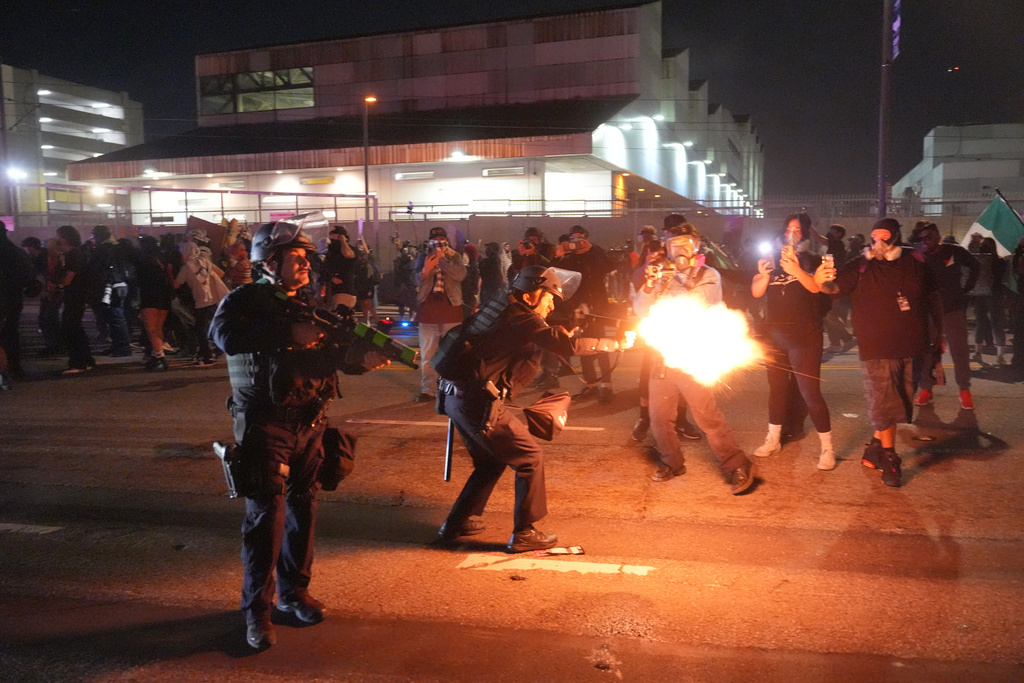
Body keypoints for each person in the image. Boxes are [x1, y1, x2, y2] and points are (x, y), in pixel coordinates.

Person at [210, 213, 388, 650]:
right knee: (266, 517)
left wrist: (361, 360)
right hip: (266, 423)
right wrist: (288, 332)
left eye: (307, 255)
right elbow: (223, 336)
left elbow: (330, 355)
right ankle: (258, 610)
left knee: (303, 507)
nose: (306, 262)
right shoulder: (245, 300)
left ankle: (294, 592)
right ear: (269, 260)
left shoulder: (308, 304)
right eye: (295, 255)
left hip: (311, 422)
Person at [436, 265, 629, 551]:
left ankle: (455, 522)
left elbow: (531, 336)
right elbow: (565, 345)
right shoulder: (520, 317)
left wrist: (562, 327)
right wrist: (613, 343)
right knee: (530, 458)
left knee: (491, 461)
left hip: (456, 397)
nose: (551, 306)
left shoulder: (503, 306)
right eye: (549, 298)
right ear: (529, 296)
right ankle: (524, 533)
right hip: (477, 403)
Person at [632, 224, 757, 494]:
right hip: (663, 356)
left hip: (692, 354)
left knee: (706, 416)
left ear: (696, 246)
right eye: (674, 244)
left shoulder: (707, 274)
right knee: (659, 416)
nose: (680, 249)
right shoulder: (661, 275)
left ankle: (736, 464)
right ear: (666, 247)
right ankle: (671, 461)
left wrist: (672, 277)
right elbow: (641, 309)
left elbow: (698, 302)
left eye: (686, 243)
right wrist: (651, 283)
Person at [821, 218, 943, 488]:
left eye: (884, 236)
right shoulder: (861, 264)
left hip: (914, 344)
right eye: (874, 236)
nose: (877, 241)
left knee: (901, 401)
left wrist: (939, 339)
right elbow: (832, 289)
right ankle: (890, 458)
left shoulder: (916, 261)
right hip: (877, 346)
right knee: (886, 405)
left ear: (896, 238)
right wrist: (821, 279)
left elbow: (933, 299)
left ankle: (874, 449)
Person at [750, 215, 836, 470]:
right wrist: (763, 275)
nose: (792, 234)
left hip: (805, 337)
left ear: (807, 233)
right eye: (788, 228)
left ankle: (827, 448)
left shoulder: (816, 259)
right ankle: (773, 439)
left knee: (810, 393)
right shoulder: (774, 262)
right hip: (775, 337)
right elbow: (756, 291)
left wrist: (796, 270)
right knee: (776, 389)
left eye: (797, 229)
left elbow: (819, 288)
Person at [908, 221, 979, 410]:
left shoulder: (953, 251)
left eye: (928, 237)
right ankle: (926, 389)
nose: (924, 242)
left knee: (959, 351)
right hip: (928, 313)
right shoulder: (917, 257)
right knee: (925, 353)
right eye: (920, 239)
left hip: (952, 310)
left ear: (938, 236)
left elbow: (975, 266)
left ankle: (964, 390)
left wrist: (966, 289)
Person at [555, 225, 615, 402]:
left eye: (580, 238)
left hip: (598, 309)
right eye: (573, 239)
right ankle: (591, 386)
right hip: (578, 310)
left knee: (602, 346)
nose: (577, 243)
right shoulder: (569, 259)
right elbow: (553, 275)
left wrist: (593, 249)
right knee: (583, 348)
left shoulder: (595, 254)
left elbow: (610, 266)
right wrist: (557, 255)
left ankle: (606, 386)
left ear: (586, 239)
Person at [414, 227, 466, 401]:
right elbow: (415, 279)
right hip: (428, 312)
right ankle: (428, 389)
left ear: (446, 242)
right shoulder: (423, 257)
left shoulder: (455, 256)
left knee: (451, 353)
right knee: (428, 354)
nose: (438, 244)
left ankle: (452, 389)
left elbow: (460, 275)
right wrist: (426, 269)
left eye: (441, 241)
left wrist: (442, 259)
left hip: (451, 311)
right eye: (434, 241)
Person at [174, 241, 228, 366]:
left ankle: (206, 355)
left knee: (200, 329)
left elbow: (176, 285)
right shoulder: (205, 262)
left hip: (200, 301)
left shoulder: (186, 267)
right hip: (214, 299)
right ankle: (217, 349)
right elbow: (221, 273)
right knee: (209, 326)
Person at [55, 225, 96, 375]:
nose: (57, 239)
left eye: (59, 236)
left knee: (70, 328)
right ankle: (86, 360)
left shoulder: (73, 254)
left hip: (75, 295)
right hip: (78, 295)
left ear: (65, 237)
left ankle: (78, 362)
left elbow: (69, 277)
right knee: (76, 328)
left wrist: (59, 286)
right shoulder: (77, 253)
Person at [0, 220, 37, 386]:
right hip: (13, 298)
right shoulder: (15, 252)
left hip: (6, 297)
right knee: (11, 333)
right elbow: (29, 276)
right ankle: (13, 367)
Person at [90, 225, 133, 357]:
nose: (93, 239)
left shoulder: (104, 249)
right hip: (121, 284)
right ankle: (118, 346)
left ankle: (122, 347)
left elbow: (96, 268)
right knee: (117, 316)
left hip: (111, 285)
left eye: (94, 236)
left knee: (115, 317)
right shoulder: (118, 247)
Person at [136, 236, 175, 372]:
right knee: (158, 328)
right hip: (164, 295)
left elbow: (138, 279)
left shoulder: (143, 260)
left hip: (150, 295)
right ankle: (157, 353)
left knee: (151, 329)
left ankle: (160, 357)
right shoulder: (162, 258)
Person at [969, 237, 1007, 365]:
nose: (983, 248)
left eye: (986, 246)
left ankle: (999, 355)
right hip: (984, 294)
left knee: (994, 323)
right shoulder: (981, 260)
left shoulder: (998, 262)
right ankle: (980, 353)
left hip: (992, 294)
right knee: (982, 322)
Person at [320, 225, 357, 312]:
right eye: (331, 236)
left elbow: (348, 255)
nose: (332, 238)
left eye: (335, 235)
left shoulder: (351, 249)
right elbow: (325, 267)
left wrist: (343, 241)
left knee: (341, 315)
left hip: (344, 290)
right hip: (331, 290)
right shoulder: (331, 252)